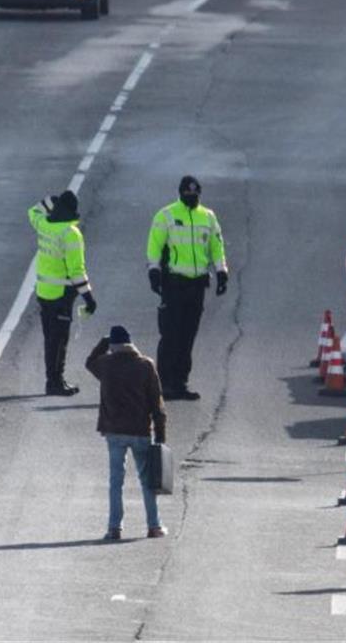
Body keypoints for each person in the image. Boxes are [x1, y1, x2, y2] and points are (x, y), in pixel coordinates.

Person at [146, 176, 228, 401]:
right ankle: (164, 384)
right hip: (173, 283)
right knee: (171, 334)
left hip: (197, 284)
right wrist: (153, 270)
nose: (191, 198)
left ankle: (181, 383)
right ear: (180, 193)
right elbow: (155, 245)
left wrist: (222, 272)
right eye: (187, 194)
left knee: (188, 336)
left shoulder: (208, 217)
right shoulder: (167, 215)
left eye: (195, 195)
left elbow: (216, 246)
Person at [86, 325, 167, 540]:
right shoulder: (145, 365)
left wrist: (104, 342)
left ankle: (114, 528)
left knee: (116, 481)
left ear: (113, 346)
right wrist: (160, 435)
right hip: (140, 431)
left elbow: (89, 362)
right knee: (147, 479)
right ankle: (154, 526)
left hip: (114, 431)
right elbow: (157, 403)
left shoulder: (105, 365)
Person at [29, 191, 97, 396]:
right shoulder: (70, 233)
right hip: (61, 295)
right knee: (59, 341)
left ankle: (53, 380)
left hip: (43, 292)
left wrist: (51, 199)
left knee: (50, 339)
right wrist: (89, 298)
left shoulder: (43, 224)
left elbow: (33, 210)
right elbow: (77, 270)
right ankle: (55, 382)